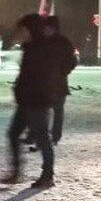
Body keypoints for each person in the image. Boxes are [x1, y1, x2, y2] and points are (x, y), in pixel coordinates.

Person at [3, 14, 58, 188]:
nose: (21, 33)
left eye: (24, 30)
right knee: (13, 133)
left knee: (42, 138)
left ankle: (47, 175)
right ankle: (16, 172)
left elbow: (43, 77)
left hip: (37, 100)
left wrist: (37, 94)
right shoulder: (31, 48)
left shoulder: (42, 49)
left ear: (31, 29)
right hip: (26, 101)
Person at [43, 16, 77, 145]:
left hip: (58, 83)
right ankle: (43, 135)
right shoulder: (43, 42)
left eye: (48, 28)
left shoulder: (63, 42)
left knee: (57, 110)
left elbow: (72, 61)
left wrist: (63, 71)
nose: (46, 30)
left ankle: (55, 136)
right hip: (45, 83)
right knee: (44, 109)